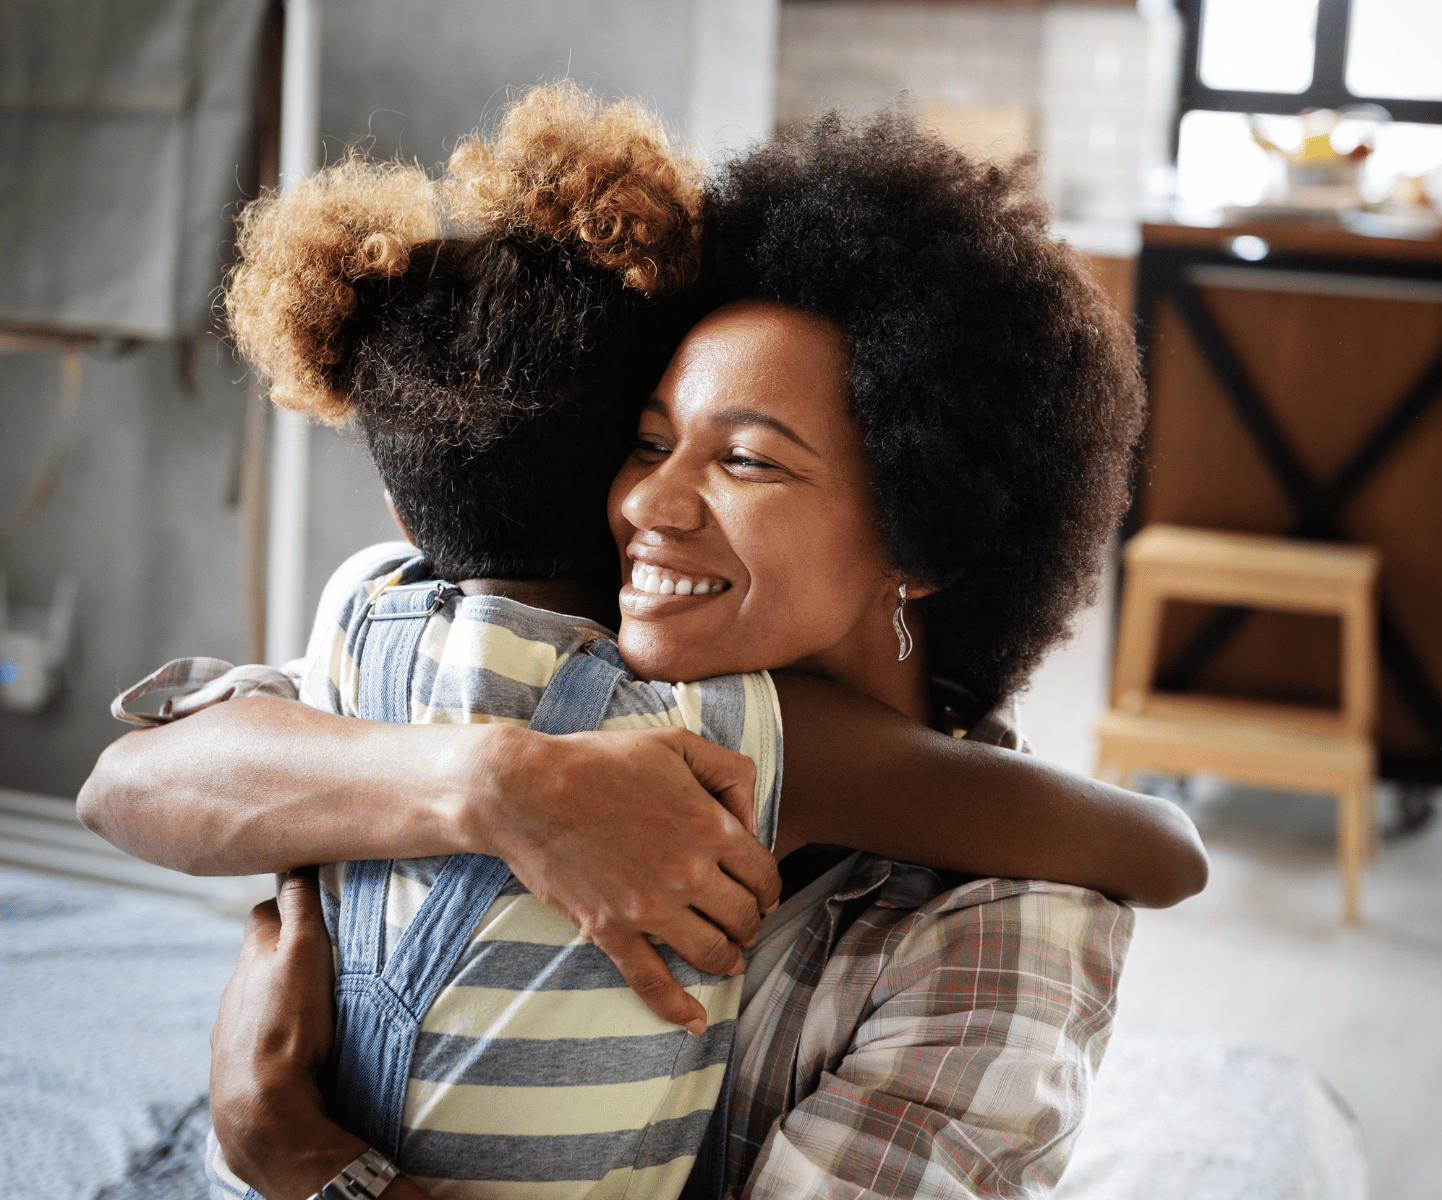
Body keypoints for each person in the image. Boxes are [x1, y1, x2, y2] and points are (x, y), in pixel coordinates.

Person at [82, 107, 1169, 1199]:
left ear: (926, 536)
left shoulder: (1000, 925)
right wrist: (491, 783)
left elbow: (1162, 852)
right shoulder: (540, 665)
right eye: (650, 440)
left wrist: (294, 1150)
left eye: (746, 461)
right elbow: (133, 781)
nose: (647, 499)